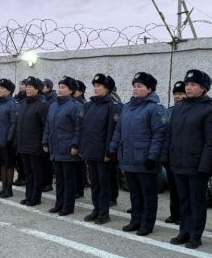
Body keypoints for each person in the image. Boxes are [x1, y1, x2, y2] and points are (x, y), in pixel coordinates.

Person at [162, 70, 212, 249]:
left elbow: (211, 141)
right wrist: (166, 157)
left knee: (197, 201)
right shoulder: (179, 108)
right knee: (183, 199)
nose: (188, 87)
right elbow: (169, 134)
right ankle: (184, 231)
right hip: (178, 162)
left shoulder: (210, 110)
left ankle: (196, 235)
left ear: (203, 89)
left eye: (193, 85)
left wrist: (205, 166)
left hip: (196, 165)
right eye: (187, 84)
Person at [109, 72, 167, 236]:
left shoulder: (155, 109)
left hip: (145, 159)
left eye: (139, 86)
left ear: (149, 89)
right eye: (134, 86)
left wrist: (152, 156)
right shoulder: (127, 107)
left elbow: (159, 134)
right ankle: (135, 220)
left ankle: (147, 224)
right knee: (134, 192)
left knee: (148, 194)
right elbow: (118, 130)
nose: (135, 89)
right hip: (128, 157)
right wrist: (113, 148)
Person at [80, 73, 121, 224]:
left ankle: (104, 213)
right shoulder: (90, 105)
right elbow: (84, 129)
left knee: (104, 185)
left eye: (99, 86)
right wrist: (83, 149)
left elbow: (112, 131)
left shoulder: (112, 106)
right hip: (90, 151)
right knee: (95, 184)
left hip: (103, 153)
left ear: (107, 89)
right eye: (95, 86)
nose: (96, 89)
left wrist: (109, 152)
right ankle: (96, 209)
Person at [43, 76, 84, 216]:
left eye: (63, 87)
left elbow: (79, 128)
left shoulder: (76, 106)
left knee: (69, 180)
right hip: (55, 147)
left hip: (68, 149)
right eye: (59, 87)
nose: (60, 90)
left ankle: (68, 206)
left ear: (71, 90)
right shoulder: (53, 105)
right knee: (59, 179)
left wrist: (75, 145)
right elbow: (48, 125)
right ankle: (58, 204)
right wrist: (45, 141)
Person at [16, 76, 49, 206]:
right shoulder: (23, 103)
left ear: (37, 89)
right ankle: (28, 195)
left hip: (35, 146)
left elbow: (45, 126)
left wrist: (43, 144)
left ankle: (36, 197)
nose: (27, 89)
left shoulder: (43, 105)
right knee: (28, 172)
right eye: (27, 86)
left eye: (30, 87)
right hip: (23, 144)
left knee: (37, 173)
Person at [0, 78, 19, 198]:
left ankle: (9, 189)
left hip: (6, 141)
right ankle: (3, 187)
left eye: (2, 88)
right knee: (1, 164)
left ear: (9, 91)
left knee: (8, 165)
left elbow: (13, 123)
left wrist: (9, 138)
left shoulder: (13, 104)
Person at [163, 80, 187, 224]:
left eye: (181, 93)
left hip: (184, 156)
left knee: (183, 190)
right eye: (176, 94)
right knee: (173, 188)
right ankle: (174, 213)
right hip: (171, 155)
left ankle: (182, 216)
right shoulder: (170, 110)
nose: (178, 97)